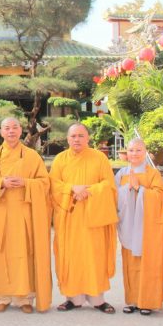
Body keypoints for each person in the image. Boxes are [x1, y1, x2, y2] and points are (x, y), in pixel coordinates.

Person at [0, 117, 52, 314]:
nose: (11, 131)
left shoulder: (32, 156)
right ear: (1, 132)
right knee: (1, 255)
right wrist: (1, 183)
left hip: (23, 214)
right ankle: (2, 296)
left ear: (21, 131)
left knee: (24, 254)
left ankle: (24, 297)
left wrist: (26, 183)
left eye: (14, 128)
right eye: (7, 128)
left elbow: (44, 183)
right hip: (1, 212)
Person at [50, 123, 118, 314]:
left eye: (81, 136)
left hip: (93, 218)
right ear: (67, 139)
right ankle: (73, 299)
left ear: (88, 138)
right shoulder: (60, 159)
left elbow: (109, 184)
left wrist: (89, 191)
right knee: (71, 257)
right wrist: (72, 188)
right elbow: (53, 185)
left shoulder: (99, 158)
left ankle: (98, 300)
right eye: (73, 136)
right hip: (69, 218)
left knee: (95, 256)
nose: (77, 139)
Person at [114, 138, 163, 315]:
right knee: (130, 264)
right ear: (126, 153)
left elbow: (160, 196)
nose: (134, 154)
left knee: (149, 263)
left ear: (145, 152)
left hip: (148, 226)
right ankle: (132, 300)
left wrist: (140, 189)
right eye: (131, 150)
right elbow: (113, 197)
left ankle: (148, 302)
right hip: (128, 224)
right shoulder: (121, 173)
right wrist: (127, 190)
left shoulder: (152, 173)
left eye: (138, 150)